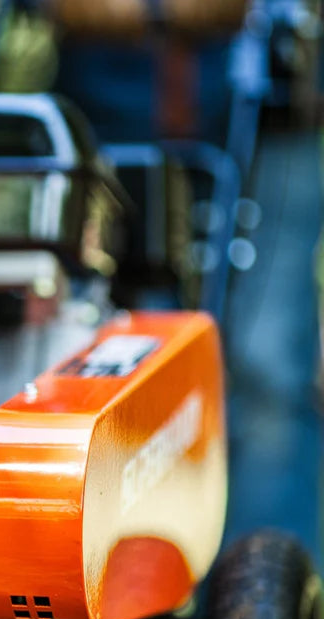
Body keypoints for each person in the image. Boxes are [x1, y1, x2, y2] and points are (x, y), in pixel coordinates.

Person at [44, 0, 324, 565]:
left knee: (264, 360)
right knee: (110, 353)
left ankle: (267, 587)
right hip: (104, 107)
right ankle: (125, 565)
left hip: (270, 103)